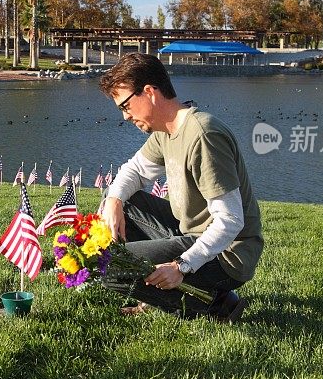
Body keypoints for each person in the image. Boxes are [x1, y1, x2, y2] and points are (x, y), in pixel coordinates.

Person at [99, 52, 263, 322]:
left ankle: (213, 304)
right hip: (193, 232)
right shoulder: (165, 130)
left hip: (228, 254)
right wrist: (114, 202)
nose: (125, 116)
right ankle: (165, 291)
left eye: (125, 106)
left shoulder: (203, 135)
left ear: (150, 92)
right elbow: (135, 170)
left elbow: (231, 221)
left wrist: (182, 266)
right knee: (120, 199)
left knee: (109, 267)